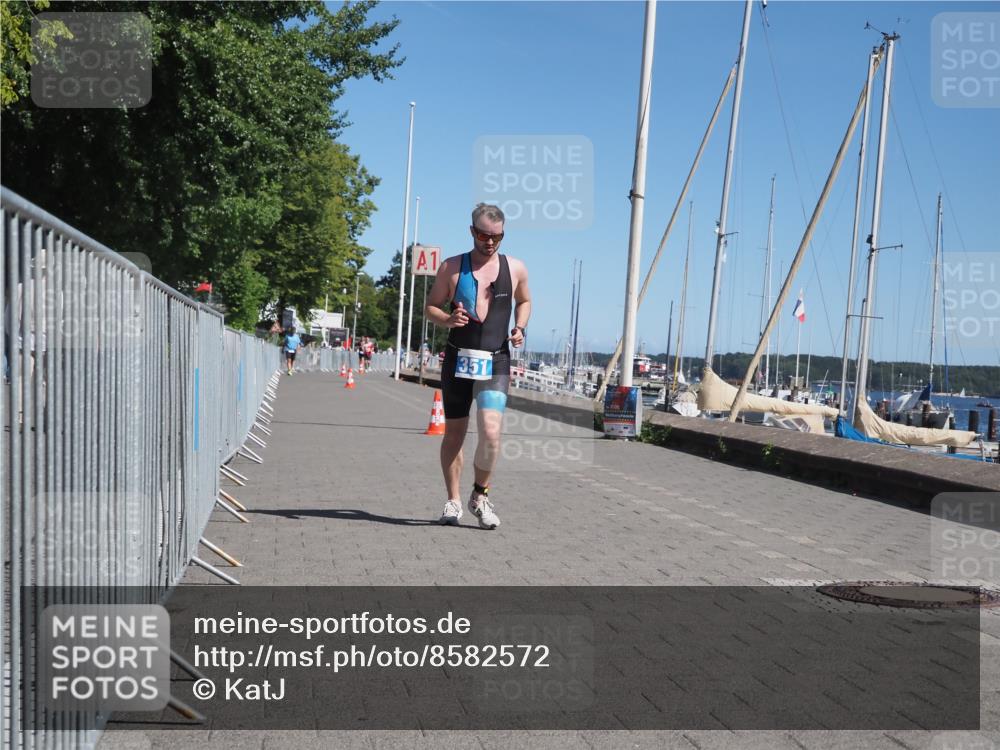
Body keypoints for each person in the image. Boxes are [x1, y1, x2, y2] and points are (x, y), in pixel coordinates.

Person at [424, 203, 531, 529]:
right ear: (472, 231)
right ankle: (453, 500)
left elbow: (524, 301)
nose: (490, 242)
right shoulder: (452, 268)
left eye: (497, 236)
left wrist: (520, 328)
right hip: (458, 359)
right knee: (454, 433)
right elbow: (430, 307)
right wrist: (447, 319)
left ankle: (479, 496)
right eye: (484, 235)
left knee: (491, 434)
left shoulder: (514, 268)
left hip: (496, 360)